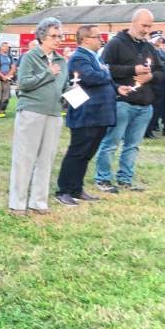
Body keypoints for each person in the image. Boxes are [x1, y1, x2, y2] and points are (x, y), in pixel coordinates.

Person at [55, 25, 132, 206]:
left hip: (99, 114)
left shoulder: (95, 58)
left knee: (87, 154)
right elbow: (91, 77)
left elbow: (105, 80)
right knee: (77, 152)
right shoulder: (78, 57)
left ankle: (76, 188)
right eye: (97, 36)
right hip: (86, 114)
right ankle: (64, 190)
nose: (101, 39)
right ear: (86, 39)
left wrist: (117, 87)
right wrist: (106, 72)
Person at [94, 9, 164, 193]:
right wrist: (133, 69)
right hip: (122, 102)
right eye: (144, 25)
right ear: (133, 22)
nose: (146, 30)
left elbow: (161, 71)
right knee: (111, 142)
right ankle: (103, 179)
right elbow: (105, 69)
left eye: (149, 26)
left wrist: (150, 77)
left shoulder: (148, 47)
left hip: (144, 104)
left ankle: (125, 179)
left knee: (133, 146)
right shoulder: (116, 44)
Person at [8, 17, 69, 216]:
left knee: (46, 158)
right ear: (42, 36)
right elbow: (24, 84)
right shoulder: (30, 57)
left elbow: (63, 85)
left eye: (60, 36)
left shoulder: (62, 60)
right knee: (24, 157)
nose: (58, 39)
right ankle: (17, 203)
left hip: (53, 113)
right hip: (32, 111)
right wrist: (48, 73)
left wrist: (72, 91)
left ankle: (38, 202)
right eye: (54, 36)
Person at [145, 30, 165, 138]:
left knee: (156, 109)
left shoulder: (162, 52)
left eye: (161, 39)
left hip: (161, 83)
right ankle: (145, 131)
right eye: (158, 38)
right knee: (148, 108)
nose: (160, 41)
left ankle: (149, 130)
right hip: (150, 83)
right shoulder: (147, 50)